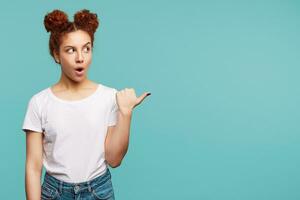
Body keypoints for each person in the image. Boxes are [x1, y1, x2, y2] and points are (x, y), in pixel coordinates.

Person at [22, 9, 150, 200]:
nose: (80, 57)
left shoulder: (109, 97)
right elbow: (33, 167)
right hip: (55, 192)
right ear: (57, 55)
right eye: (70, 50)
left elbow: (114, 160)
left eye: (86, 48)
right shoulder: (39, 103)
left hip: (98, 191)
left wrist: (126, 113)